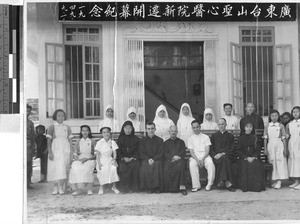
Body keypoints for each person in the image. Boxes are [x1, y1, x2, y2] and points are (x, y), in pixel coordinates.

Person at [46, 109, 73, 195]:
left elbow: (70, 140)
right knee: (54, 167)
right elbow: (49, 141)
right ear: (55, 117)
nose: (61, 117)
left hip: (65, 148)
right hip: (55, 149)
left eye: (62, 116)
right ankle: (55, 187)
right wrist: (50, 152)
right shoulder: (51, 127)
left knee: (63, 167)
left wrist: (71, 152)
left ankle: (61, 186)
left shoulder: (67, 127)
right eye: (59, 115)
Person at [237, 123, 266, 192]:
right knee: (244, 165)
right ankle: (245, 187)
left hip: (254, 158)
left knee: (257, 165)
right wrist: (246, 157)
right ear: (244, 128)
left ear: (253, 128)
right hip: (244, 158)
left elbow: (258, 149)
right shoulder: (241, 138)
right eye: (247, 126)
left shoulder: (255, 138)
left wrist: (253, 157)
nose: (249, 128)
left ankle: (255, 187)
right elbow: (239, 150)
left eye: (250, 126)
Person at [263, 110, 288, 189]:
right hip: (271, 145)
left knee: (280, 162)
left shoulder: (280, 126)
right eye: (272, 116)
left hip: (279, 145)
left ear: (278, 117)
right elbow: (265, 138)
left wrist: (285, 149)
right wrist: (265, 149)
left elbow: (283, 138)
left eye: (276, 116)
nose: (274, 117)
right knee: (272, 162)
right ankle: (274, 180)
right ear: (270, 117)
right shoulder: (267, 126)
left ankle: (279, 181)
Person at [188, 120, 215, 192]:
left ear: (200, 127)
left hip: (205, 156)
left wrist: (202, 159)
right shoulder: (190, 138)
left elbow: (207, 150)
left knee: (210, 163)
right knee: (192, 164)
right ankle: (196, 185)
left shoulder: (205, 137)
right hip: (195, 157)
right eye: (194, 127)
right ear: (192, 128)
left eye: (197, 127)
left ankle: (209, 183)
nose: (196, 129)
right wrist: (197, 160)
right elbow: (191, 152)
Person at [69, 125, 96, 195]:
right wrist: (79, 159)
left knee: (87, 168)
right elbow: (74, 154)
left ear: (89, 132)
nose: (85, 132)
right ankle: (76, 189)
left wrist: (87, 159)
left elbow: (95, 154)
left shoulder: (92, 141)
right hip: (79, 159)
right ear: (81, 132)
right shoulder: (78, 142)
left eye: (86, 130)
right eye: (83, 130)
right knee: (75, 167)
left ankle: (89, 189)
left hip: (89, 159)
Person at [210, 118, 236, 191]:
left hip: (227, 155)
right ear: (217, 125)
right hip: (217, 157)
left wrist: (223, 154)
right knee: (223, 159)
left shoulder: (230, 136)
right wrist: (215, 155)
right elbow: (211, 149)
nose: (221, 126)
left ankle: (220, 181)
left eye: (223, 124)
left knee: (225, 158)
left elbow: (232, 149)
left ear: (226, 124)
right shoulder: (214, 136)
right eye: (219, 124)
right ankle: (228, 183)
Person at [139, 122, 164, 193]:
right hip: (146, 159)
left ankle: (157, 187)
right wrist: (148, 159)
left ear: (155, 129)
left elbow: (160, 153)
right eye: (149, 129)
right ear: (146, 130)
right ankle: (149, 187)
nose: (150, 130)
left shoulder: (160, 140)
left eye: (152, 128)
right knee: (145, 166)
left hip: (157, 159)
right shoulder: (142, 141)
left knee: (157, 165)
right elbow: (142, 153)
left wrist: (154, 159)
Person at [95, 127, 120, 195]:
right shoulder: (99, 142)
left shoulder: (112, 142)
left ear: (110, 133)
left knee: (113, 168)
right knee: (102, 169)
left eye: (107, 132)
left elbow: (114, 152)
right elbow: (97, 154)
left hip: (109, 159)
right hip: (101, 160)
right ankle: (101, 187)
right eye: (104, 132)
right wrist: (99, 163)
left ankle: (114, 187)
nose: (106, 134)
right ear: (102, 134)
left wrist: (114, 160)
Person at [117, 121, 140, 193]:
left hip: (133, 158)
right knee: (122, 166)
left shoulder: (136, 139)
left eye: (129, 128)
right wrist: (123, 158)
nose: (128, 130)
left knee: (135, 165)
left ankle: (133, 188)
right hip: (123, 158)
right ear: (123, 129)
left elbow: (138, 151)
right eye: (126, 128)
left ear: (132, 129)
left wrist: (132, 157)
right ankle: (124, 188)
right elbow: (118, 151)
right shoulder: (120, 139)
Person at [163, 125, 187, 195]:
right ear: (169, 132)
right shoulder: (166, 143)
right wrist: (172, 158)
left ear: (177, 132)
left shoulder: (181, 142)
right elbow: (165, 153)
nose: (173, 132)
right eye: (172, 131)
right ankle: (168, 188)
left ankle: (182, 187)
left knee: (181, 166)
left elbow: (183, 152)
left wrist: (177, 157)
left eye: (175, 131)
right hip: (169, 161)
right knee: (166, 167)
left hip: (179, 160)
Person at [286, 106, 300, 190]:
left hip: (299, 142)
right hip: (292, 144)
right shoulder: (289, 124)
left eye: (297, 112)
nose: (295, 113)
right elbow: (287, 135)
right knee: (293, 162)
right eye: (294, 112)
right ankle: (296, 181)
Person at [27, 104, 36, 189]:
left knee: (29, 163)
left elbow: (33, 136)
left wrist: (33, 146)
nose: (28, 112)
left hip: (28, 143)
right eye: (26, 110)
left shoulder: (30, 123)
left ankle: (28, 182)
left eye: (29, 111)